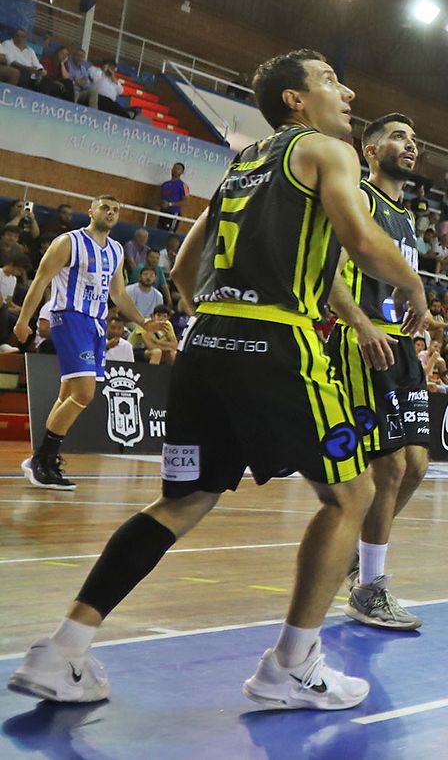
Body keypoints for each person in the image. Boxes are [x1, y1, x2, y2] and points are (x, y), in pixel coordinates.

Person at [7, 49, 426, 709]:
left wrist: (218, 318)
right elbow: (362, 240)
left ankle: (64, 648)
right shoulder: (326, 149)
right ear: (296, 99)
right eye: (329, 82)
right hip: (277, 340)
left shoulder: (245, 162)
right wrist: (416, 283)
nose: (345, 92)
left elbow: (182, 265)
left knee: (183, 500)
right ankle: (292, 663)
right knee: (352, 494)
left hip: (208, 343)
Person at [324, 113, 431, 633]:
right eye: (398, 136)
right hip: (364, 342)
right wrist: (363, 324)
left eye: (414, 139)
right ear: (369, 150)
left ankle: (360, 554)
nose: (410, 145)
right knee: (387, 468)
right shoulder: (360, 201)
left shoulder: (405, 218)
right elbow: (327, 276)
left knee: (416, 465)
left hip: (402, 345)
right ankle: (369, 589)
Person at [11, 195, 148, 490]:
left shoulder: (115, 250)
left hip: (96, 324)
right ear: (91, 212)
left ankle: (42, 459)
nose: (110, 213)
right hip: (69, 317)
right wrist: (24, 320)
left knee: (67, 395)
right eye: (105, 208)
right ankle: (42, 460)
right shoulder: (68, 242)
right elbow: (41, 280)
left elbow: (119, 295)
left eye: (115, 210)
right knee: (84, 394)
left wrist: (143, 322)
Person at [158, 163, 188, 232]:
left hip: (173, 214)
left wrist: (170, 204)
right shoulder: (165, 184)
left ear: (182, 172)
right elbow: (160, 198)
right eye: (174, 168)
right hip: (162, 212)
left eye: (178, 169)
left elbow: (186, 202)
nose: (175, 170)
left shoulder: (185, 186)